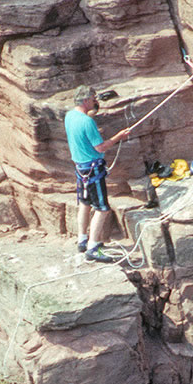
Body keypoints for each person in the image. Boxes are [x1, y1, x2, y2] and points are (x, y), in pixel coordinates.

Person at [65, 86, 130, 262]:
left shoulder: (70, 116)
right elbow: (100, 147)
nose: (96, 101)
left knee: (85, 203)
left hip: (80, 169)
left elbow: (83, 120)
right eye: (93, 98)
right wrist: (119, 137)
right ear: (86, 100)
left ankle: (82, 239)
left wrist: (92, 112)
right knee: (102, 209)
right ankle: (93, 247)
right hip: (93, 169)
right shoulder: (87, 123)